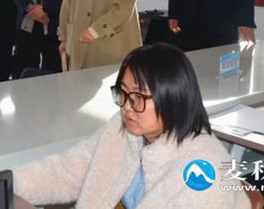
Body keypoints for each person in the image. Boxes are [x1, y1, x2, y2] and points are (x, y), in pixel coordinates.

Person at [13, 43, 250, 208]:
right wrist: (6, 184)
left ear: (172, 98)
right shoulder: (124, 129)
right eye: (123, 93)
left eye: (138, 97)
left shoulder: (203, 171)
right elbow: (68, 171)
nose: (126, 106)